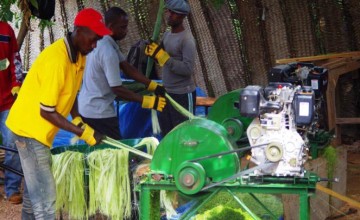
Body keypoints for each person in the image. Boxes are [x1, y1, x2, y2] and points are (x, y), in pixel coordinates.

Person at [5, 8, 110, 219]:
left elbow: (71, 94)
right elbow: (47, 112)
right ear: (79, 31)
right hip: (29, 131)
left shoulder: (79, 56)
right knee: (45, 199)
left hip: (36, 131)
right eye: (94, 38)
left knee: (34, 197)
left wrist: (79, 120)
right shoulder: (57, 60)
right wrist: (83, 133)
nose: (95, 44)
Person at [78, 6, 166, 140]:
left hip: (89, 107)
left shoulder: (104, 42)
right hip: (98, 112)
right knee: (115, 153)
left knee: (101, 150)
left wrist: (151, 85)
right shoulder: (108, 51)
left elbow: (127, 67)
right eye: (123, 27)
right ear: (111, 26)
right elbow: (117, 89)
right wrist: (146, 101)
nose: (126, 31)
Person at [145, 0, 197, 137]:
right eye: (168, 11)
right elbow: (161, 59)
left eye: (173, 13)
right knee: (168, 134)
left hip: (182, 95)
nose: (169, 15)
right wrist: (153, 52)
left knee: (184, 134)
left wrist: (165, 58)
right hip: (166, 92)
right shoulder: (167, 35)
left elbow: (187, 69)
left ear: (181, 16)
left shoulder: (187, 40)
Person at [0, 21, 23, 205]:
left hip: (7, 99)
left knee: (12, 143)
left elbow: (15, 60)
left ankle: (12, 188)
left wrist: (17, 85)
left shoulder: (6, 29)